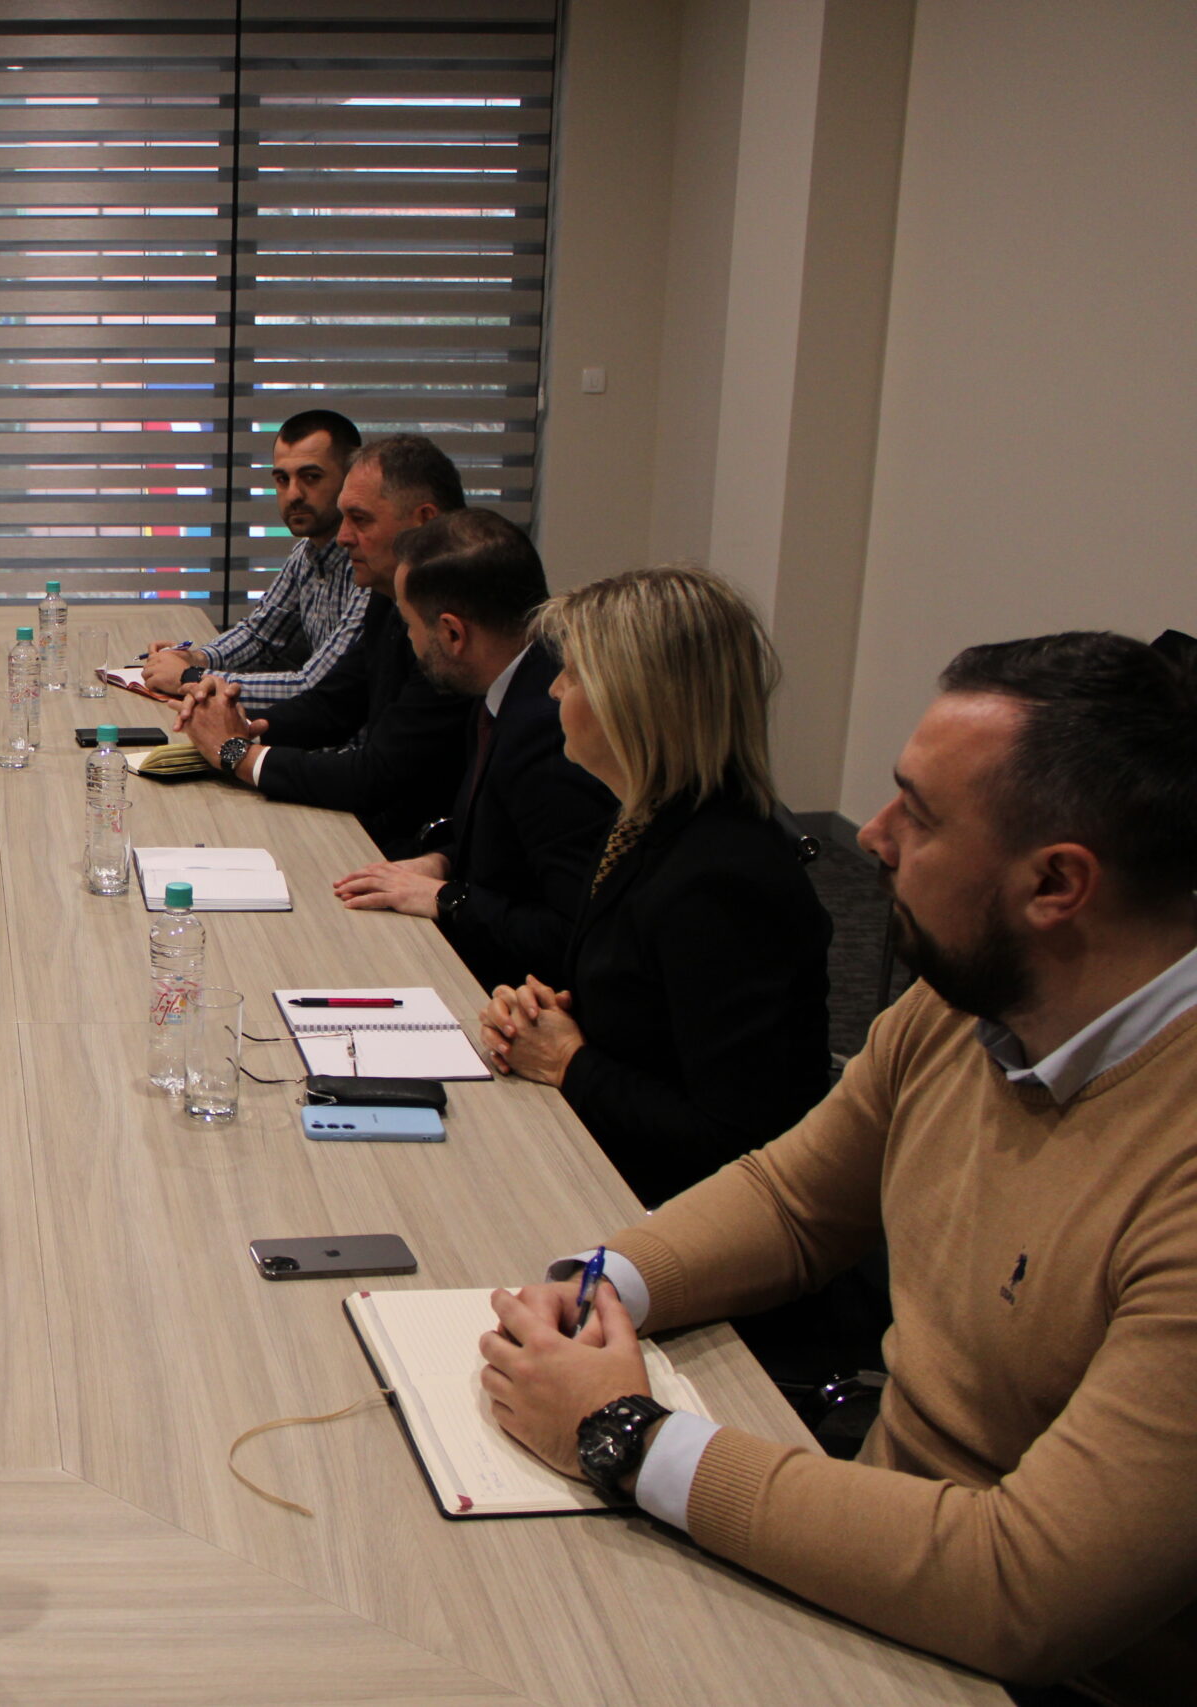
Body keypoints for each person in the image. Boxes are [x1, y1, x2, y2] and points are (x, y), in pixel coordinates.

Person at [477, 632, 1197, 1703]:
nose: (873, 836)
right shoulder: (959, 1010)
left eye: (921, 815)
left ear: (1056, 883)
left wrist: (624, 1435)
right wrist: (597, 1284)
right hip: (876, 1559)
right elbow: (793, 1200)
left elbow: (1026, 1584)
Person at [477, 566, 828, 1205]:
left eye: (572, 674)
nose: (554, 690)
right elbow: (647, 1016)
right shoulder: (646, 820)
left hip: (679, 1213)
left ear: (634, 699)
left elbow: (737, 1139)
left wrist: (567, 1061)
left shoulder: (722, 882)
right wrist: (548, 1016)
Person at [331, 510, 613, 991]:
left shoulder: (550, 734)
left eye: (409, 624)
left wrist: (448, 897)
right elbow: (507, 853)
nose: (409, 640)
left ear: (452, 634)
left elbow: (570, 937)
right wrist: (443, 861)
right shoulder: (509, 687)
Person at [175, 434, 471, 856]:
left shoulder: (455, 628)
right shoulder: (389, 596)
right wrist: (239, 722)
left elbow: (377, 775)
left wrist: (237, 753)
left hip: (409, 847)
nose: (344, 537)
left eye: (360, 520)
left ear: (423, 522)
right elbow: (333, 703)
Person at [137, 409, 364, 708]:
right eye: (282, 479)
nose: (293, 494)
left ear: (351, 480)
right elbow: (260, 635)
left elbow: (316, 687)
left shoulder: (370, 565)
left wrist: (191, 677)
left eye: (311, 477)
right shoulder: (306, 554)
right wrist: (197, 657)